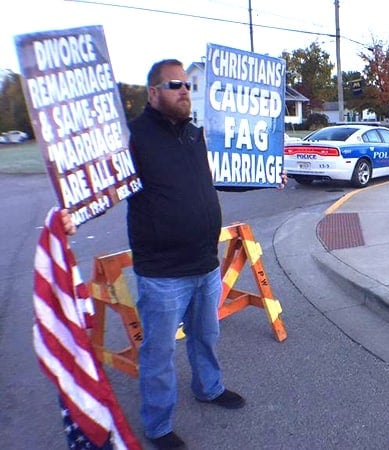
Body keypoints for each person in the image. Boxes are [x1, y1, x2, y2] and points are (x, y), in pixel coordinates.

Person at [63, 59, 286, 449]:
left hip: (204, 263)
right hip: (163, 272)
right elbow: (104, 185)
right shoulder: (133, 137)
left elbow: (226, 174)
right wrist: (73, 216)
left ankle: (209, 388)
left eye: (187, 84)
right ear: (153, 93)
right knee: (159, 351)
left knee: (206, 335)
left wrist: (266, 177)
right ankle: (158, 424)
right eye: (175, 84)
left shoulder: (197, 135)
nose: (185, 89)